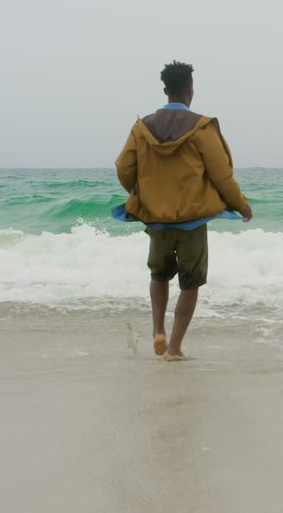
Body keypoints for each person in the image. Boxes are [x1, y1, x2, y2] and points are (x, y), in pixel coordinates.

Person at [115, 61, 253, 361]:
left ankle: (158, 331)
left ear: (165, 90)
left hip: (157, 219)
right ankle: (174, 347)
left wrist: (142, 195)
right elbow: (221, 174)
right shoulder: (202, 127)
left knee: (159, 274)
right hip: (193, 221)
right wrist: (240, 205)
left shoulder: (142, 128)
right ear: (190, 88)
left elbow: (123, 167)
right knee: (190, 283)